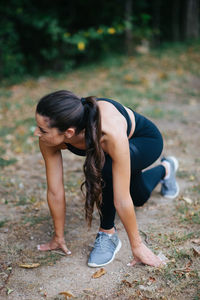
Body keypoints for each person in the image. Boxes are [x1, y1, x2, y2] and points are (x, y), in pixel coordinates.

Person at [34, 90, 179, 268]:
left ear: (69, 132)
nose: (36, 133)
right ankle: (166, 169)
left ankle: (108, 233)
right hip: (114, 153)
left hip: (144, 142)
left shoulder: (108, 133)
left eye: (42, 130)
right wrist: (58, 235)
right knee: (139, 197)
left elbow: (121, 199)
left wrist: (138, 246)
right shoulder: (49, 138)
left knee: (106, 169)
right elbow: (55, 191)